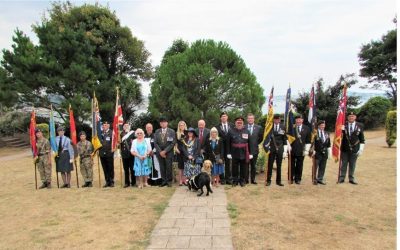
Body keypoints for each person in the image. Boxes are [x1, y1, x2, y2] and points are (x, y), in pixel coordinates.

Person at [227, 116, 254, 187]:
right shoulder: (230, 131)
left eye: (240, 122)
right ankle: (235, 181)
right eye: (238, 122)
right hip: (234, 151)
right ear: (235, 123)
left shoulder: (246, 131)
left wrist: (251, 153)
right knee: (234, 167)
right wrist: (229, 153)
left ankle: (242, 181)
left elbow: (250, 142)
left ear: (243, 123)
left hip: (244, 152)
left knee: (243, 167)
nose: (239, 124)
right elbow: (228, 142)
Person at [339, 112, 365, 184]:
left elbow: (362, 139)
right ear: (347, 117)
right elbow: (339, 137)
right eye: (350, 116)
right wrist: (341, 130)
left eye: (352, 116)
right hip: (344, 148)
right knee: (343, 164)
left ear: (355, 117)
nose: (351, 117)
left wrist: (361, 149)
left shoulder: (360, 125)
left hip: (355, 148)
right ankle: (342, 178)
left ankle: (351, 178)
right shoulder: (343, 125)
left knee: (352, 164)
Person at [264, 114, 288, 187]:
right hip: (271, 148)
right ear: (273, 120)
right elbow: (266, 138)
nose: (277, 120)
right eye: (275, 119)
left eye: (278, 119)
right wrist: (267, 147)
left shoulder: (283, 127)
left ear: (280, 120)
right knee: (270, 165)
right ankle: (268, 181)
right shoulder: (269, 127)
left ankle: (278, 181)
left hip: (280, 148)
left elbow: (284, 139)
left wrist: (285, 150)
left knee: (279, 165)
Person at [154, 117, 176, 187]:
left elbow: (172, 143)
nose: (163, 123)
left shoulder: (172, 131)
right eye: (161, 122)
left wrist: (165, 151)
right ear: (160, 124)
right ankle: (164, 181)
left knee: (169, 167)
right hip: (160, 153)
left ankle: (169, 181)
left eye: (164, 122)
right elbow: (155, 143)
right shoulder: (157, 131)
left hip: (168, 153)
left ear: (167, 123)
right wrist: (160, 152)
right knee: (162, 167)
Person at [290, 114, 311, 184]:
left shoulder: (307, 128)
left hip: (301, 150)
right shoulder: (291, 127)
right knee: (291, 165)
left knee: (299, 165)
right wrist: (288, 147)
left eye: (300, 119)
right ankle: (291, 177)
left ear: (302, 120)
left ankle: (298, 178)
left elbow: (308, 140)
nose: (298, 120)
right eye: (297, 119)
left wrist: (306, 150)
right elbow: (287, 138)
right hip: (292, 149)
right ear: (295, 120)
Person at [311, 120, 331, 185]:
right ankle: (314, 179)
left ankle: (320, 179)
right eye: (321, 125)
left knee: (323, 166)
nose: (322, 126)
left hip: (325, 153)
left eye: (323, 125)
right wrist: (312, 150)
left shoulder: (327, 133)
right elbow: (311, 142)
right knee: (315, 166)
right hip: (317, 152)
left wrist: (329, 152)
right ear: (318, 126)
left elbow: (328, 144)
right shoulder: (315, 133)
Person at [216, 111, 234, 184]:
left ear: (227, 117)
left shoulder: (232, 126)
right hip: (220, 148)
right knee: (220, 163)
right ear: (220, 118)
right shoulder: (216, 127)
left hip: (230, 148)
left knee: (228, 163)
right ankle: (222, 179)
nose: (224, 117)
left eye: (225, 116)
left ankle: (228, 179)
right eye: (222, 116)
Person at [246, 113, 263, 184]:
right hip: (245, 150)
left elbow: (261, 138)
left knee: (253, 166)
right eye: (249, 118)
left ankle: (253, 180)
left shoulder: (259, 127)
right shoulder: (244, 127)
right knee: (246, 165)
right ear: (247, 119)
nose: (250, 119)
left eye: (251, 118)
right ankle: (246, 179)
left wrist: (254, 144)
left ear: (254, 119)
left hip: (254, 150)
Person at [99, 121, 115, 187]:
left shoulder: (111, 133)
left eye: (105, 125)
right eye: (103, 125)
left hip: (109, 153)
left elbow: (114, 143)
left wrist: (113, 150)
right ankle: (107, 181)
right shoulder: (100, 133)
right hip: (102, 153)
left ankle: (111, 181)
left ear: (108, 126)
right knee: (105, 168)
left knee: (110, 168)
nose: (104, 126)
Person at [120, 123, 136, 187]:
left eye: (127, 126)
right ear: (123, 127)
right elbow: (120, 144)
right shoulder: (121, 134)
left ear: (129, 127)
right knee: (126, 169)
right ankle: (127, 182)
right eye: (125, 126)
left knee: (132, 169)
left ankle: (134, 182)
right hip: (124, 154)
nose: (126, 127)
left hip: (131, 153)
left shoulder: (133, 133)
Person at [175, 120, 188, 186]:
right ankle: (180, 180)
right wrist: (176, 149)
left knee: (185, 166)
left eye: (183, 125)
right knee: (180, 167)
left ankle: (185, 180)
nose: (181, 126)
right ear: (179, 126)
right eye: (180, 125)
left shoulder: (188, 133)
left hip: (186, 152)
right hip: (179, 152)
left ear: (185, 125)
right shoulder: (176, 133)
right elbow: (175, 143)